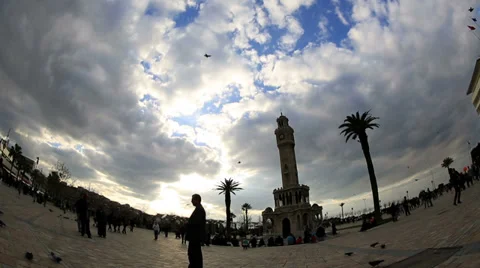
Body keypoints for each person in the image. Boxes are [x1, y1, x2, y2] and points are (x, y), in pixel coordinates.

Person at [186, 194, 206, 268]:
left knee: (194, 256)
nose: (191, 201)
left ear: (197, 200)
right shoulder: (199, 209)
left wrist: (188, 224)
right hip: (195, 238)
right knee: (193, 255)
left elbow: (196, 223)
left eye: (192, 199)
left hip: (195, 238)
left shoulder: (199, 210)